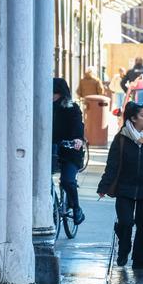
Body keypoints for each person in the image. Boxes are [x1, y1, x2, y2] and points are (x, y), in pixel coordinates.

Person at [98, 102, 143, 270]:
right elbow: (112, 164)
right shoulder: (121, 137)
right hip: (125, 188)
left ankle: (141, 261)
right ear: (133, 118)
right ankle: (123, 249)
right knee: (125, 222)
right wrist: (104, 186)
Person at [52, 78, 86, 225]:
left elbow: (78, 124)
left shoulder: (72, 108)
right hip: (51, 149)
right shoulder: (44, 106)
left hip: (70, 149)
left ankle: (77, 208)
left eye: (53, 92)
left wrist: (78, 139)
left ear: (60, 93)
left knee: (67, 180)